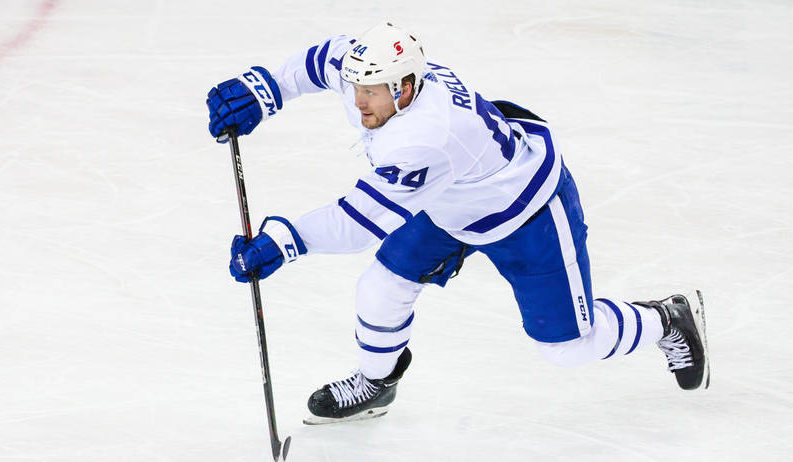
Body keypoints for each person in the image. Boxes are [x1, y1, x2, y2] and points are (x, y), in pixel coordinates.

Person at [207, 23, 709, 424]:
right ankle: (377, 383)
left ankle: (668, 318)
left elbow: (360, 222)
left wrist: (286, 242)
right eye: (356, 86)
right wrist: (266, 89)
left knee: (568, 349)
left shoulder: (429, 138)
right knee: (380, 288)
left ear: (405, 89)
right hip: (450, 200)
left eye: (372, 93)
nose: (359, 102)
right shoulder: (376, 74)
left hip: (525, 213)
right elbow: (323, 60)